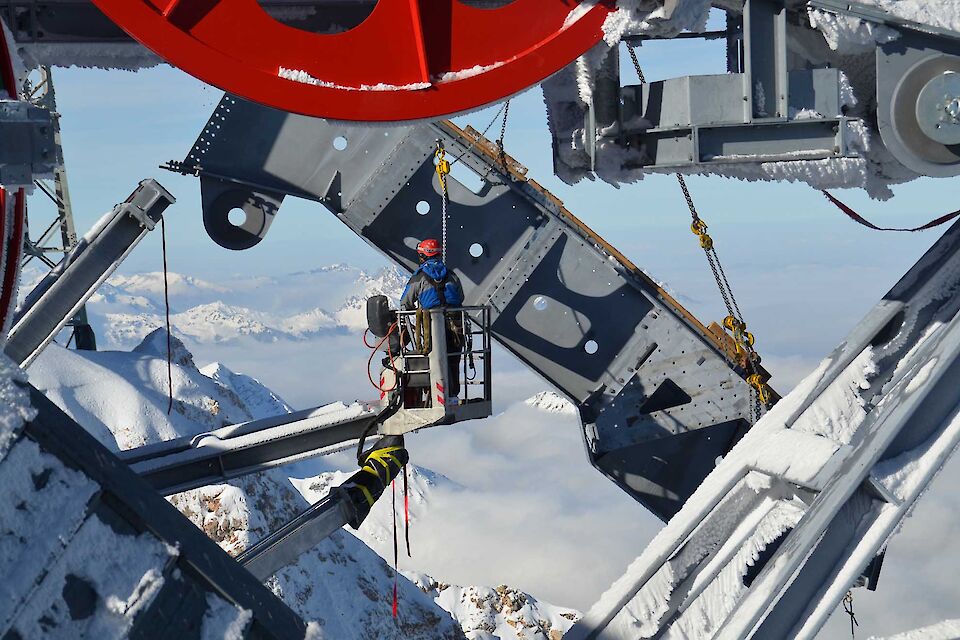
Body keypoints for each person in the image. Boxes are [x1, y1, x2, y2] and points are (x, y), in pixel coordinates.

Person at [401, 238, 465, 399]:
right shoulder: (451, 275)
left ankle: (434, 393)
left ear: (422, 256)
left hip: (431, 325)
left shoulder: (419, 277)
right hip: (455, 324)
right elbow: (460, 297)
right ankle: (452, 394)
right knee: (453, 358)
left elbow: (405, 302)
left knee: (433, 357)